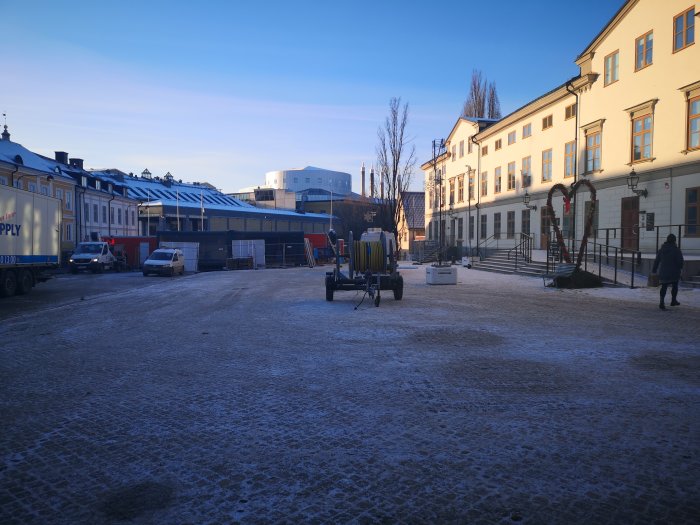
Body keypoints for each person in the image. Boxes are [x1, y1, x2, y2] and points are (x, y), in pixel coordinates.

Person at [652, 233, 684, 310]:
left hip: (663, 271)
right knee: (675, 285)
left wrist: (654, 270)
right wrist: (680, 267)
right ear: (674, 241)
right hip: (674, 272)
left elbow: (656, 261)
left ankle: (661, 302)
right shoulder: (676, 250)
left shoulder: (661, 249)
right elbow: (680, 261)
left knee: (664, 286)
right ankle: (673, 300)